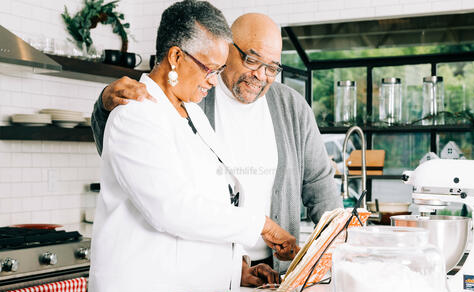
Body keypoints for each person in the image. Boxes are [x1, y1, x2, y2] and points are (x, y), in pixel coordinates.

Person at [88, 0, 297, 292]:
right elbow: (173, 209)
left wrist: (233, 268)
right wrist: (262, 225)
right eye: (210, 68)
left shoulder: (194, 116)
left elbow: (211, 203)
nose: (215, 80)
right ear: (175, 56)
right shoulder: (135, 114)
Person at [91, 13, 341, 273]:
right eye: (252, 60)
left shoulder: (289, 106)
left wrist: (340, 252)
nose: (261, 75)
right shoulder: (187, 100)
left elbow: (320, 186)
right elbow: (167, 196)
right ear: (227, 49)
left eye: (272, 68)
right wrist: (104, 107)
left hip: (254, 270)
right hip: (194, 273)